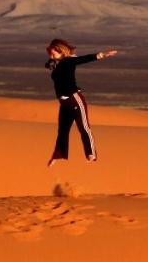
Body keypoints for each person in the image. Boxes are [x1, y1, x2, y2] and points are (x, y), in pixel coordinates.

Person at [45, 38, 118, 167]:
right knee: (62, 130)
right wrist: (52, 63)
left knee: (83, 127)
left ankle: (91, 154)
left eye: (53, 53)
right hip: (64, 104)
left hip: (75, 99)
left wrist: (102, 55)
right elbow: (52, 66)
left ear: (61, 52)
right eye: (49, 53)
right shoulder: (56, 63)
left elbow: (82, 59)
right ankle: (58, 155)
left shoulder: (69, 61)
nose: (51, 56)